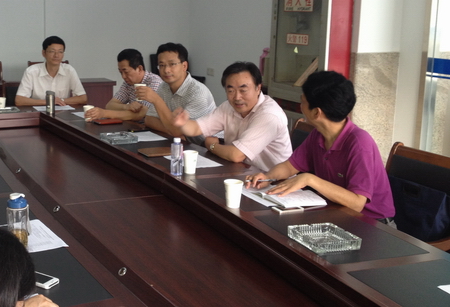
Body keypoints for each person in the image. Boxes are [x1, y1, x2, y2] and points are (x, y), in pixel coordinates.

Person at [245, 71, 395, 223]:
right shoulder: (318, 134)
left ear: (317, 112)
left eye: (302, 101)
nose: (300, 106)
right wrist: (268, 176)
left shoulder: (360, 143)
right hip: (334, 211)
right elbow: (290, 167)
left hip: (371, 223)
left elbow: (357, 203)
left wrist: (310, 179)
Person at [172, 62, 292, 171]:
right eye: (230, 91)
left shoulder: (269, 115)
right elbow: (196, 128)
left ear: (258, 88)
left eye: (243, 90)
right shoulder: (228, 107)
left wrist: (212, 146)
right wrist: (183, 123)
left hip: (274, 181)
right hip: (243, 172)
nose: (237, 97)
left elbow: (236, 155)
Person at [135, 42, 215, 144]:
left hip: (209, 147)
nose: (166, 70)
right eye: (161, 65)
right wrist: (173, 131)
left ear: (184, 66)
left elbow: (177, 131)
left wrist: (156, 100)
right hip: (182, 143)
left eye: (172, 64)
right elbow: (149, 120)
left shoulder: (198, 93)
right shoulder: (163, 86)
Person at [84, 48, 162, 122]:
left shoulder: (154, 82)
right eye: (121, 72)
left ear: (139, 69)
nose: (123, 76)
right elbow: (110, 105)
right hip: (134, 125)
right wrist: (127, 106)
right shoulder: (128, 83)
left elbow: (140, 114)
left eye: (126, 72)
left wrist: (104, 113)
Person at [15, 36, 87, 107]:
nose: (56, 55)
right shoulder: (31, 71)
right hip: (39, 112)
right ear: (44, 53)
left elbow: (83, 98)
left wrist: (61, 101)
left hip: (63, 111)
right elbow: (19, 100)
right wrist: (49, 102)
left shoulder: (69, 70)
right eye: (52, 51)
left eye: (60, 52)